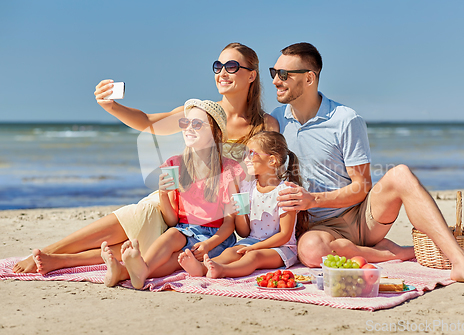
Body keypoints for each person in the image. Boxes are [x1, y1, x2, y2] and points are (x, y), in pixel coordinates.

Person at [12, 42, 278, 275]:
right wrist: (112, 106)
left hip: (216, 212)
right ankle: (49, 251)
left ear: (251, 75)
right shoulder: (199, 113)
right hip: (179, 200)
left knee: (138, 246)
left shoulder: (264, 124)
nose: (222, 72)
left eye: (231, 66)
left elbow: (265, 176)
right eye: (217, 66)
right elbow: (148, 122)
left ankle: (59, 261)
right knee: (137, 216)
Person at [269, 42, 464, 290]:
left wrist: (313, 199)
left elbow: (361, 188)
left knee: (401, 175)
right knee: (310, 251)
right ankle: (391, 253)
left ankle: (460, 260)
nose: (276, 81)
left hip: (361, 219)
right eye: (273, 73)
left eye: (283, 75)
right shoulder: (276, 121)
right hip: (319, 229)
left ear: (309, 78)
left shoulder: (345, 119)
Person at [101, 98, 242, 288]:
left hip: (216, 237)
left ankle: (125, 272)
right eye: (185, 122)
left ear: (215, 132)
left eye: (197, 124)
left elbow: (229, 223)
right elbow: (172, 220)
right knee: (171, 235)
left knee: (181, 259)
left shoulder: (229, 170)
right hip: (184, 229)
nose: (189, 128)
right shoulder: (175, 164)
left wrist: (209, 244)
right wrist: (162, 193)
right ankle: (135, 270)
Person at [177, 131, 309, 279]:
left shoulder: (285, 192)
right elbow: (244, 232)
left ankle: (222, 271)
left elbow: (284, 235)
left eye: (252, 153)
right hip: (252, 241)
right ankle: (202, 268)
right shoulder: (248, 188)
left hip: (280, 248)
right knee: (230, 252)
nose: (246, 159)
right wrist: (239, 213)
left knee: (253, 257)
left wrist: (255, 247)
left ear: (272, 160)